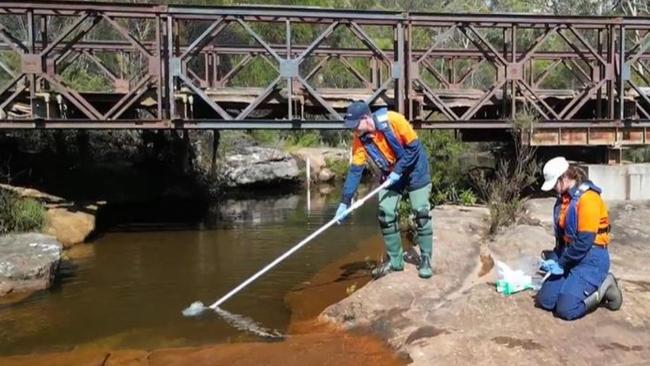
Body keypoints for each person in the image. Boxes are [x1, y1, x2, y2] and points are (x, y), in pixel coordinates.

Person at [334, 101, 433, 279]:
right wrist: (344, 201)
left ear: (365, 118)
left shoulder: (394, 120)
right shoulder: (360, 139)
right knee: (385, 213)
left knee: (421, 212)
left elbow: (414, 149)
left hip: (415, 169)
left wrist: (398, 171)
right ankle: (396, 261)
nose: (353, 130)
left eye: (355, 125)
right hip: (392, 174)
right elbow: (355, 171)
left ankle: (425, 259)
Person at [535, 156, 623, 320]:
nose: (554, 188)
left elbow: (584, 242)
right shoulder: (563, 200)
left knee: (566, 309)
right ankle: (571, 284)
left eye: (555, 183)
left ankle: (605, 284)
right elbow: (562, 236)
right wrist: (555, 258)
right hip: (570, 256)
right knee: (545, 300)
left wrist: (561, 264)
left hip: (591, 258)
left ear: (565, 177)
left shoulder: (588, 199)